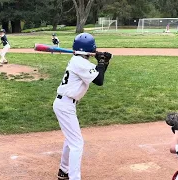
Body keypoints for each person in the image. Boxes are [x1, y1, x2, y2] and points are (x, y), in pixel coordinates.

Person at [53, 33, 112, 180]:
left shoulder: (78, 61)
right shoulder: (80, 63)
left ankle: (64, 170)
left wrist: (104, 63)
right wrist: (101, 62)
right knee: (77, 144)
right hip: (65, 105)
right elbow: (99, 80)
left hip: (65, 104)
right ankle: (74, 177)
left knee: (71, 139)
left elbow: (98, 74)